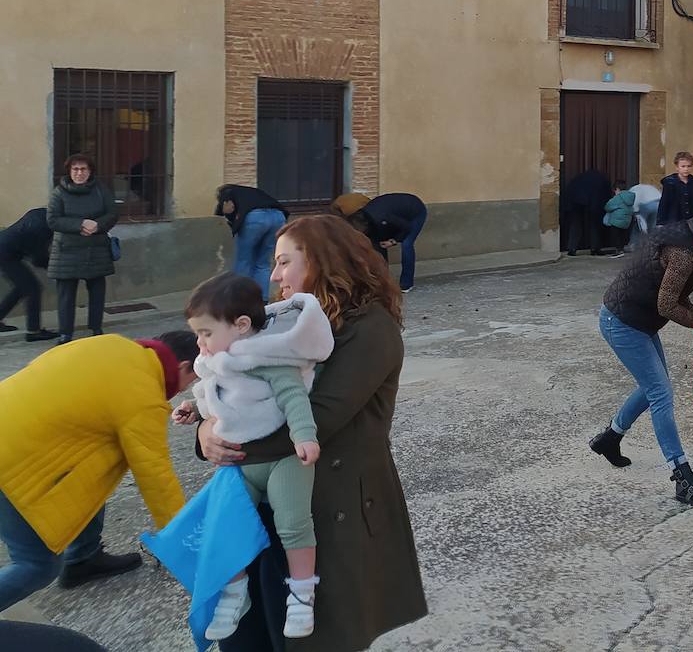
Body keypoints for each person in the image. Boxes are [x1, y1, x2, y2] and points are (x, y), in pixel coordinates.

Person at [196, 214, 426, 651]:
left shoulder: (370, 329)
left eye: (285, 262)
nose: (275, 275)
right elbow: (235, 388)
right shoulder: (280, 323)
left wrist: (223, 437)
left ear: (325, 260)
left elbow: (316, 419)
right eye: (274, 263)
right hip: (268, 498)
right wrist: (206, 428)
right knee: (254, 631)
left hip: (330, 506)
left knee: (314, 637)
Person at [176, 275, 335, 640]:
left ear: (241, 325)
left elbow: (294, 397)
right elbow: (214, 396)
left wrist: (304, 436)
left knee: (293, 522)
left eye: (205, 333)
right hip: (242, 466)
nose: (199, 343)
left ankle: (301, 592)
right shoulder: (217, 363)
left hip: (284, 461)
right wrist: (195, 412)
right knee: (226, 524)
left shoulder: (268, 358)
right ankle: (234, 592)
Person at [0, 328, 197, 610]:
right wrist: (186, 546)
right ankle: (79, 558)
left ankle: (83, 557)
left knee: (98, 466)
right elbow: (156, 478)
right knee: (36, 565)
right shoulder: (143, 395)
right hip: (9, 459)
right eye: (191, 380)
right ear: (183, 366)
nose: (185, 390)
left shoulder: (113, 345)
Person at [588, 199, 693, 505]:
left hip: (637, 321)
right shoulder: (684, 253)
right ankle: (682, 478)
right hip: (621, 323)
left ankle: (610, 438)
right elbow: (668, 304)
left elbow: (674, 295)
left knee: (653, 389)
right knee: (660, 393)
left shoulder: (685, 238)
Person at [47, 154, 117, 344]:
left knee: (97, 293)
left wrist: (97, 225)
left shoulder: (101, 190)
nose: (79, 173)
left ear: (90, 171)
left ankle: (96, 329)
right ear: (69, 172)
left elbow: (112, 213)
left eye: (83, 169)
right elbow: (52, 219)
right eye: (75, 169)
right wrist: (80, 224)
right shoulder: (59, 192)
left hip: (95, 249)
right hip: (66, 251)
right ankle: (65, 334)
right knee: (66, 296)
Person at [215, 185, 288, 301]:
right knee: (263, 263)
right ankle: (262, 300)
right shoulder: (252, 192)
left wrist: (230, 220)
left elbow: (228, 208)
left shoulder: (226, 192)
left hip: (255, 218)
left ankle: (240, 299)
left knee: (243, 261)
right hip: (278, 217)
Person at [346, 192, 427, 293]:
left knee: (407, 244)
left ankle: (407, 283)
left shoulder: (383, 217)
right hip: (395, 213)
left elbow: (406, 227)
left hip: (415, 211)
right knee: (378, 244)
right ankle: (383, 280)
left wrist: (393, 241)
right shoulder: (360, 216)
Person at [0, 207, 59, 341]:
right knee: (33, 289)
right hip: (5, 254)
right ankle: (34, 331)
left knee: (22, 288)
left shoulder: (41, 213)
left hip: (6, 249)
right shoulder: (43, 228)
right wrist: (54, 269)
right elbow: (38, 258)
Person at [562, 169, 613, 256]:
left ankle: (572, 248)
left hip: (576, 202)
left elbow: (569, 191)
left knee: (576, 224)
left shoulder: (578, 179)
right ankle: (595, 248)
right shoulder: (601, 180)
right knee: (595, 225)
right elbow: (604, 195)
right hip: (594, 202)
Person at [657, 152, 693, 226]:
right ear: (677, 167)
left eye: (689, 166)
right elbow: (664, 203)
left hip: (691, 220)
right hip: (674, 220)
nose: (686, 169)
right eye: (683, 166)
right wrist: (660, 222)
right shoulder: (670, 183)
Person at [602, 182, 636, 258]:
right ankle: (621, 249)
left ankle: (619, 251)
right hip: (627, 219)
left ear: (617, 189)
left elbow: (607, 206)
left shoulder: (618, 197)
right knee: (623, 235)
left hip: (616, 220)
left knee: (615, 235)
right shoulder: (630, 196)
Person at [627, 183, 661, 249]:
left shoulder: (631, 190)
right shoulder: (649, 186)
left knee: (639, 225)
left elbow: (634, 202)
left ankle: (634, 244)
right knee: (653, 226)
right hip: (658, 203)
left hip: (646, 204)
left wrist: (635, 212)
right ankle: (653, 245)